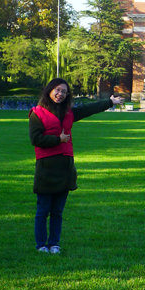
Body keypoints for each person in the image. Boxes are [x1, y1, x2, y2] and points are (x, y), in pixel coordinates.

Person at [28, 78, 123, 254]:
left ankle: (54, 243)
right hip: (46, 168)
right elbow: (35, 139)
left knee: (57, 211)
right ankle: (41, 244)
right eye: (57, 90)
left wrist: (109, 102)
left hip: (65, 168)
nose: (60, 94)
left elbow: (88, 109)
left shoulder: (68, 113)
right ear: (49, 91)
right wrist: (58, 140)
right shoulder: (37, 114)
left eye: (64, 92)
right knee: (43, 211)